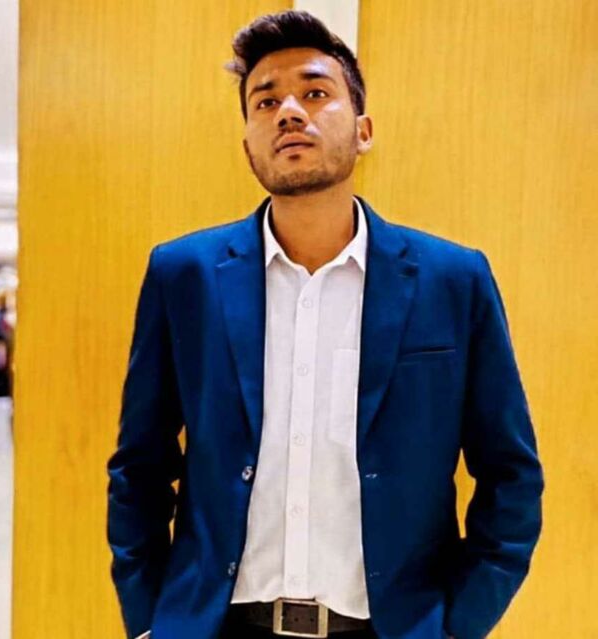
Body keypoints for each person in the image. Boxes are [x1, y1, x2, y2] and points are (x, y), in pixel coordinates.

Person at [107, 10, 543, 639]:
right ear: (248, 144)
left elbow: (510, 473)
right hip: (217, 624)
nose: (289, 112)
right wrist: (149, 618)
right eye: (266, 101)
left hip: (393, 626)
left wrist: (462, 622)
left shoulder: (453, 279)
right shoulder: (185, 275)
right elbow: (140, 467)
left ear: (363, 130)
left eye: (315, 93)